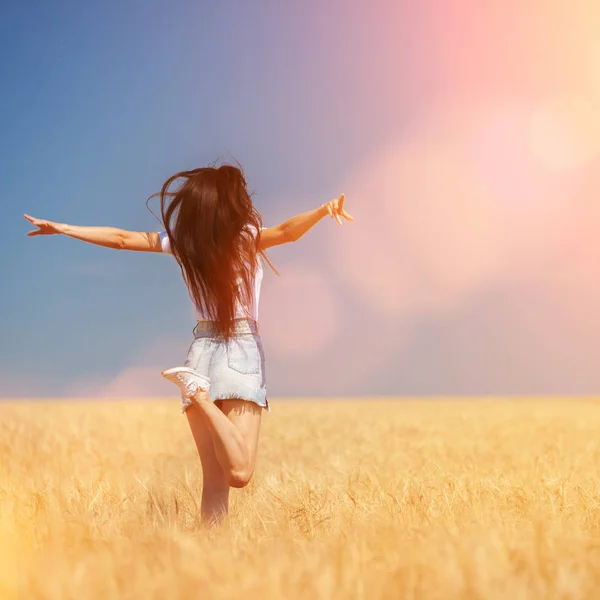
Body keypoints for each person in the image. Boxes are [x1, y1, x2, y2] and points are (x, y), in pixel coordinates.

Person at [24, 164, 353, 525]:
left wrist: (62, 228)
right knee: (239, 474)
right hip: (240, 350)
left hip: (200, 354)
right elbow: (288, 232)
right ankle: (199, 396)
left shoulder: (183, 241)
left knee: (214, 485)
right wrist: (324, 210)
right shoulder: (244, 236)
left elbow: (121, 238)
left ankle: (212, 564)